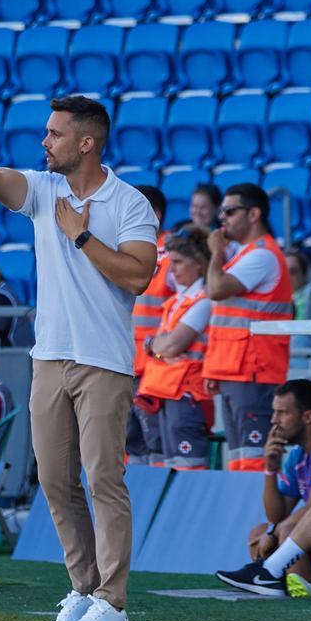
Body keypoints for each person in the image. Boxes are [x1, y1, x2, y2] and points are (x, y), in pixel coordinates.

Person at [0, 91, 157, 621]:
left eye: (55, 133)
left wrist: (79, 234)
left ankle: (115, 603)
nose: (45, 141)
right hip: (49, 359)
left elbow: (138, 275)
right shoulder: (44, 188)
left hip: (103, 360)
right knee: (56, 482)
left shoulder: (130, 203)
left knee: (104, 478)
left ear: (86, 142)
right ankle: (84, 591)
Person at [215, 379, 311, 597]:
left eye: (282, 413)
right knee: (260, 532)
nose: (274, 421)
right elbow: (277, 515)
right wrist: (270, 469)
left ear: (308, 416)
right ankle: (281, 587)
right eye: (274, 413)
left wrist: (274, 532)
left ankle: (281, 582)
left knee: (298, 532)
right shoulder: (299, 454)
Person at [202, 183, 294, 471]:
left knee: (253, 459)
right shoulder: (245, 255)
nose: (222, 218)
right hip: (235, 370)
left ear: (254, 214)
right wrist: (212, 369)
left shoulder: (263, 255)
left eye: (230, 211)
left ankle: (259, 515)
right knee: (240, 457)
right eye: (221, 212)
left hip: (254, 370)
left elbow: (215, 289)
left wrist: (216, 252)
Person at [136, 228, 213, 469]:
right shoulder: (176, 302)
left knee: (187, 466)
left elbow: (172, 344)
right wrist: (157, 348)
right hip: (169, 391)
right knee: (167, 464)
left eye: (178, 262)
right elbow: (161, 345)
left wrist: (156, 347)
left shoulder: (204, 300)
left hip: (188, 392)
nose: (173, 269)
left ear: (198, 264)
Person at [128, 185, 174, 466]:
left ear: (153, 214)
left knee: (155, 443)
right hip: (127, 362)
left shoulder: (171, 256)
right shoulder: (127, 249)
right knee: (131, 443)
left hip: (156, 368)